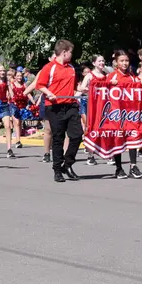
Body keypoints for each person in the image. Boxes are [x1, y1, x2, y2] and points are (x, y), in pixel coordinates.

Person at [36, 40, 83, 183]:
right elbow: (40, 85)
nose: (71, 55)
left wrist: (82, 91)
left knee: (77, 135)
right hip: (55, 107)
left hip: (70, 105)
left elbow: (74, 88)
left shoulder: (72, 68)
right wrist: (49, 93)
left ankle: (67, 164)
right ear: (64, 52)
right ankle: (57, 170)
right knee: (58, 138)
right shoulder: (49, 67)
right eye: (70, 52)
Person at [107, 50, 142, 179]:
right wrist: (109, 84)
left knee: (133, 137)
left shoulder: (132, 77)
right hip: (116, 113)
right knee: (118, 138)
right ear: (116, 63)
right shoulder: (112, 76)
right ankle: (118, 168)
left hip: (130, 113)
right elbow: (101, 90)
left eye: (126, 61)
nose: (124, 63)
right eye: (122, 61)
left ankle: (133, 166)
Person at [78, 54, 108, 165]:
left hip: (103, 105)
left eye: (103, 61)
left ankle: (107, 154)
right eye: (99, 61)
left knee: (104, 129)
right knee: (90, 129)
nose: (102, 63)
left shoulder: (106, 75)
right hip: (90, 105)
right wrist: (87, 89)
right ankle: (90, 155)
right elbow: (81, 88)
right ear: (94, 63)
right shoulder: (89, 76)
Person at [10, 70, 33, 150]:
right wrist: (14, 100)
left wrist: (34, 102)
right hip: (14, 106)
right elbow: (11, 95)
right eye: (18, 76)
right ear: (15, 77)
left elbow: (28, 94)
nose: (19, 77)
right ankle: (18, 141)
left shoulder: (24, 85)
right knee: (16, 123)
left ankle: (18, 139)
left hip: (22, 106)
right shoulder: (12, 85)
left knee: (19, 123)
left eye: (20, 76)